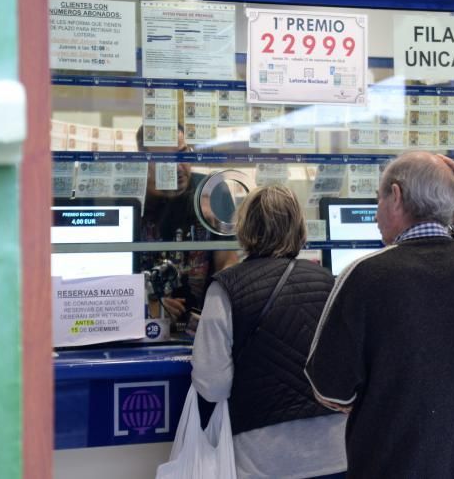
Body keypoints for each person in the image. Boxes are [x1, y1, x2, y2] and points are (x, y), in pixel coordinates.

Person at [305, 151, 454, 478]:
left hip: (390, 464)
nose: (376, 215)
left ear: (396, 195)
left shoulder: (364, 275)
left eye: (378, 199)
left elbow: (329, 388)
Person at [191, 185, 347, 479]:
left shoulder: (226, 288)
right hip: (336, 451)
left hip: (264, 459)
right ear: (299, 227)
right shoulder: (329, 282)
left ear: (244, 227)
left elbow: (212, 384)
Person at [137, 125, 239, 320]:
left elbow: (228, 261)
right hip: (145, 322)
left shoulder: (211, 191)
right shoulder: (135, 198)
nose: (178, 167)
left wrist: (217, 307)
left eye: (183, 154)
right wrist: (147, 302)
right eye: (166, 160)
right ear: (146, 162)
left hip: (202, 318)